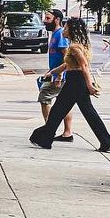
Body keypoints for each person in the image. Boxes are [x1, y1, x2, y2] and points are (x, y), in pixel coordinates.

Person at [29, 17, 110, 152]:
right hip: (75, 80)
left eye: (66, 28)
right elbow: (68, 64)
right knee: (81, 111)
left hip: (76, 81)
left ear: (72, 30)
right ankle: (107, 142)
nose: (63, 30)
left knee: (59, 111)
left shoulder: (75, 47)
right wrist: (53, 72)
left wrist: (89, 85)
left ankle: (45, 138)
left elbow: (84, 65)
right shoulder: (77, 45)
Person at [38, 9, 74, 142]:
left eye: (48, 18)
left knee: (44, 97)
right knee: (65, 103)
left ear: (57, 19)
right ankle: (67, 132)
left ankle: (49, 130)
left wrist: (59, 76)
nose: (45, 21)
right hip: (56, 74)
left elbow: (67, 58)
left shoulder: (60, 34)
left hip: (60, 76)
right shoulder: (54, 34)